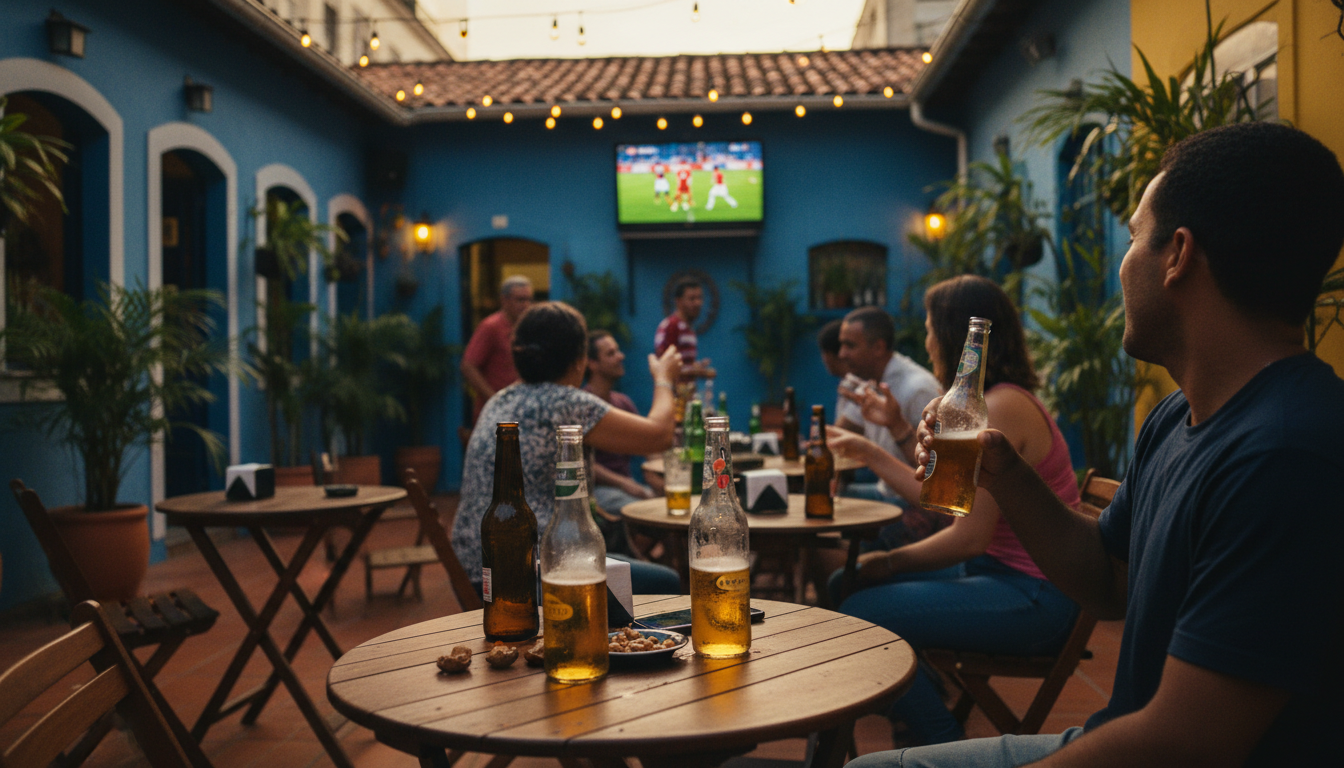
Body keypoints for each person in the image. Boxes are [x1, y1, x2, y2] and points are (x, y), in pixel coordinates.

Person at [851, 123, 1344, 767]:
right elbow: (1109, 580)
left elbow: (1187, 742)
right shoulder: (1177, 418)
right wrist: (1002, 472)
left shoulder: (1284, 457)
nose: (1123, 261)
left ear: (1178, 255)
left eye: (1135, 236)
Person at [826, 276, 1082, 746]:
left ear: (953, 336)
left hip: (1035, 596)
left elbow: (968, 537)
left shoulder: (998, 408)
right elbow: (940, 498)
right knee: (843, 582)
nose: (925, 342)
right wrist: (872, 449)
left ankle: (939, 741)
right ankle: (902, 723)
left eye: (928, 329)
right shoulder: (992, 400)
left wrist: (888, 561)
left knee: (861, 607)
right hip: (1000, 575)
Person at [453, 302, 683, 596]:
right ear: (578, 361)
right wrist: (664, 378)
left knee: (630, 568)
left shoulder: (502, 399)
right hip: (525, 575)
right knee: (665, 583)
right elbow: (658, 437)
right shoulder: (564, 402)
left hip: (479, 569)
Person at [835, 307, 942, 511]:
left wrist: (895, 427)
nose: (841, 354)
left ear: (878, 348)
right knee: (824, 497)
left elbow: (937, 472)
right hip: (885, 489)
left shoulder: (917, 388)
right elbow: (841, 434)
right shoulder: (869, 382)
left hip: (913, 502)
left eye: (849, 346)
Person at [583, 330, 662, 514]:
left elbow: (648, 446)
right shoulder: (582, 404)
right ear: (592, 364)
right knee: (647, 512)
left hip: (628, 485)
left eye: (618, 351)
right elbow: (584, 463)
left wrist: (660, 477)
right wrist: (624, 483)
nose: (621, 356)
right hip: (597, 490)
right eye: (611, 353)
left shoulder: (623, 402)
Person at [461, 276, 533, 420]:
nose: (525, 305)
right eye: (520, 300)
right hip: (495, 412)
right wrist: (494, 398)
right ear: (504, 300)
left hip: (521, 409)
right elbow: (468, 366)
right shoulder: (491, 326)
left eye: (528, 299)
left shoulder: (527, 327)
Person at [654, 277, 715, 380]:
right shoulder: (672, 326)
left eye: (700, 298)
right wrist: (697, 372)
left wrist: (696, 366)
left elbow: (683, 365)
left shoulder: (688, 328)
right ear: (678, 301)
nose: (697, 303)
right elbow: (664, 368)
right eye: (692, 299)